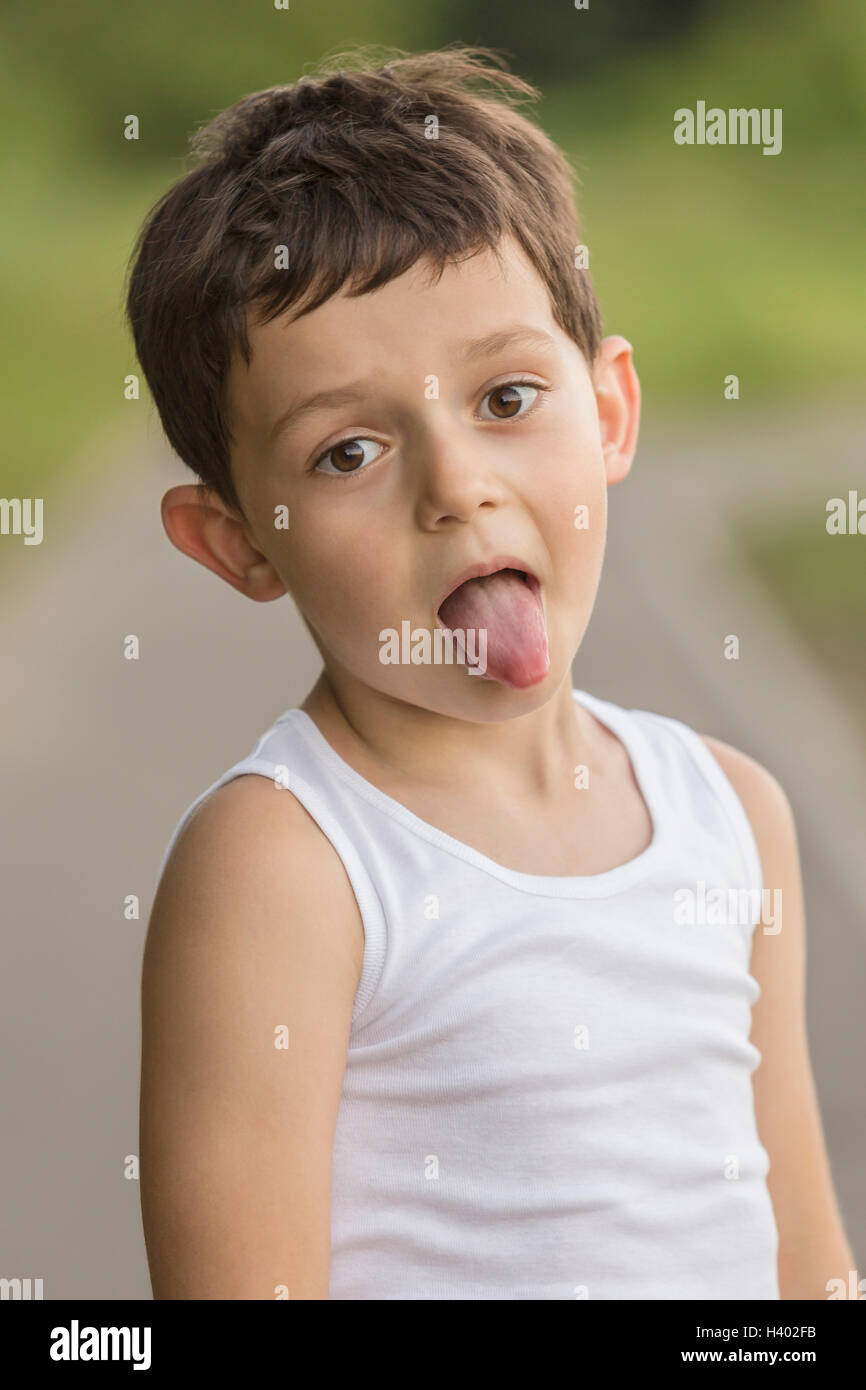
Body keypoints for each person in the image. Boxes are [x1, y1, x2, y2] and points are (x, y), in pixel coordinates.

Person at [127, 46, 855, 1300]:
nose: (455, 483)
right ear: (240, 539)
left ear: (611, 411)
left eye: (507, 395)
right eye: (348, 450)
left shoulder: (731, 813)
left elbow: (801, 1257)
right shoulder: (288, 865)